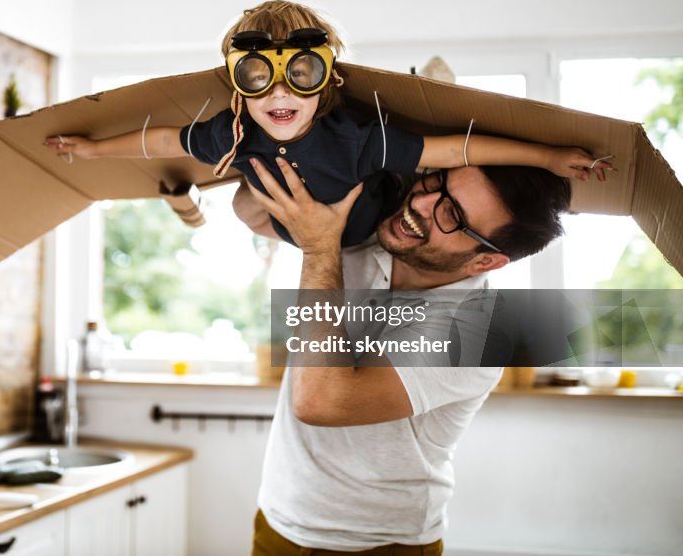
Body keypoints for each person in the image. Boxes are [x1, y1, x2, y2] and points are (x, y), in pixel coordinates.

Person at [44, 0, 607, 249]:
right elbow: (165, 137)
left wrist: (548, 156)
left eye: (303, 72)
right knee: (243, 207)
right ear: (239, 80)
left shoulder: (358, 139)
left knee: (255, 201)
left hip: (365, 231)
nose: (281, 93)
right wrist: (93, 150)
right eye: (260, 74)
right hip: (288, 230)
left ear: (327, 82)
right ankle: (200, 209)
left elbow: (456, 149)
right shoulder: (235, 130)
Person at [244, 156, 573, 554]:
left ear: (485, 260)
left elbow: (320, 400)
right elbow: (251, 213)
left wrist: (318, 249)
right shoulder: (374, 232)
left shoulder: (478, 332)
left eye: (450, 214)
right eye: (436, 182)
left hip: (381, 542)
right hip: (279, 519)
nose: (421, 205)